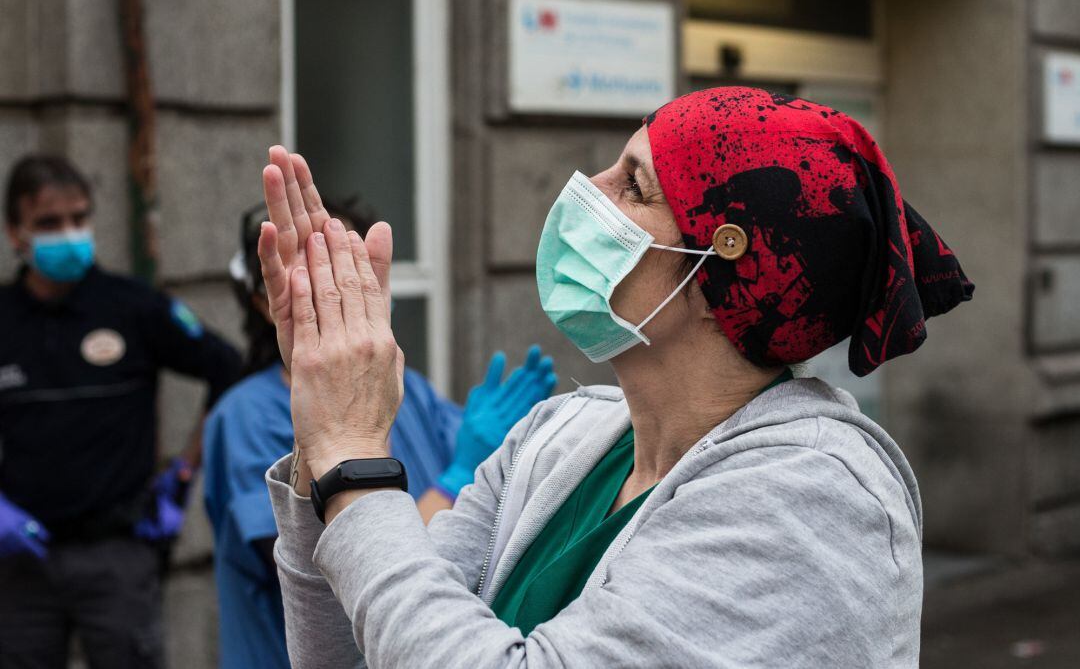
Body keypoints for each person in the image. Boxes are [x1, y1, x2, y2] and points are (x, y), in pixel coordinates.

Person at [260, 88, 974, 667]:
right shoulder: (555, 436)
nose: (587, 190)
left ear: (720, 267)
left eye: (633, 185)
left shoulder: (814, 500)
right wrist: (322, 439)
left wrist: (357, 465)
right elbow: (366, 650)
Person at [203, 187, 557, 669]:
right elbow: (332, 577)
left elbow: (479, 535)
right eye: (316, 271)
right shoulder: (249, 416)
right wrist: (456, 478)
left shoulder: (404, 388)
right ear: (266, 302)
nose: (337, 287)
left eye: (350, 265)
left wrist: (505, 462)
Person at [0, 155, 243, 668]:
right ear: (15, 233)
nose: (68, 234)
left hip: (118, 551)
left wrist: (182, 472)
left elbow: (227, 370)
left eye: (79, 218)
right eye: (48, 223)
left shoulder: (133, 307)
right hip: (21, 559)